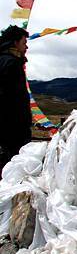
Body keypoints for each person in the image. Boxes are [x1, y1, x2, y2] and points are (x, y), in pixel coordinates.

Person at [0, 25, 32, 172]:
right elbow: (14, 98)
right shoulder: (11, 64)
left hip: (6, 125)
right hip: (13, 127)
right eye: (24, 42)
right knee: (14, 165)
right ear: (15, 43)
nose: (26, 47)